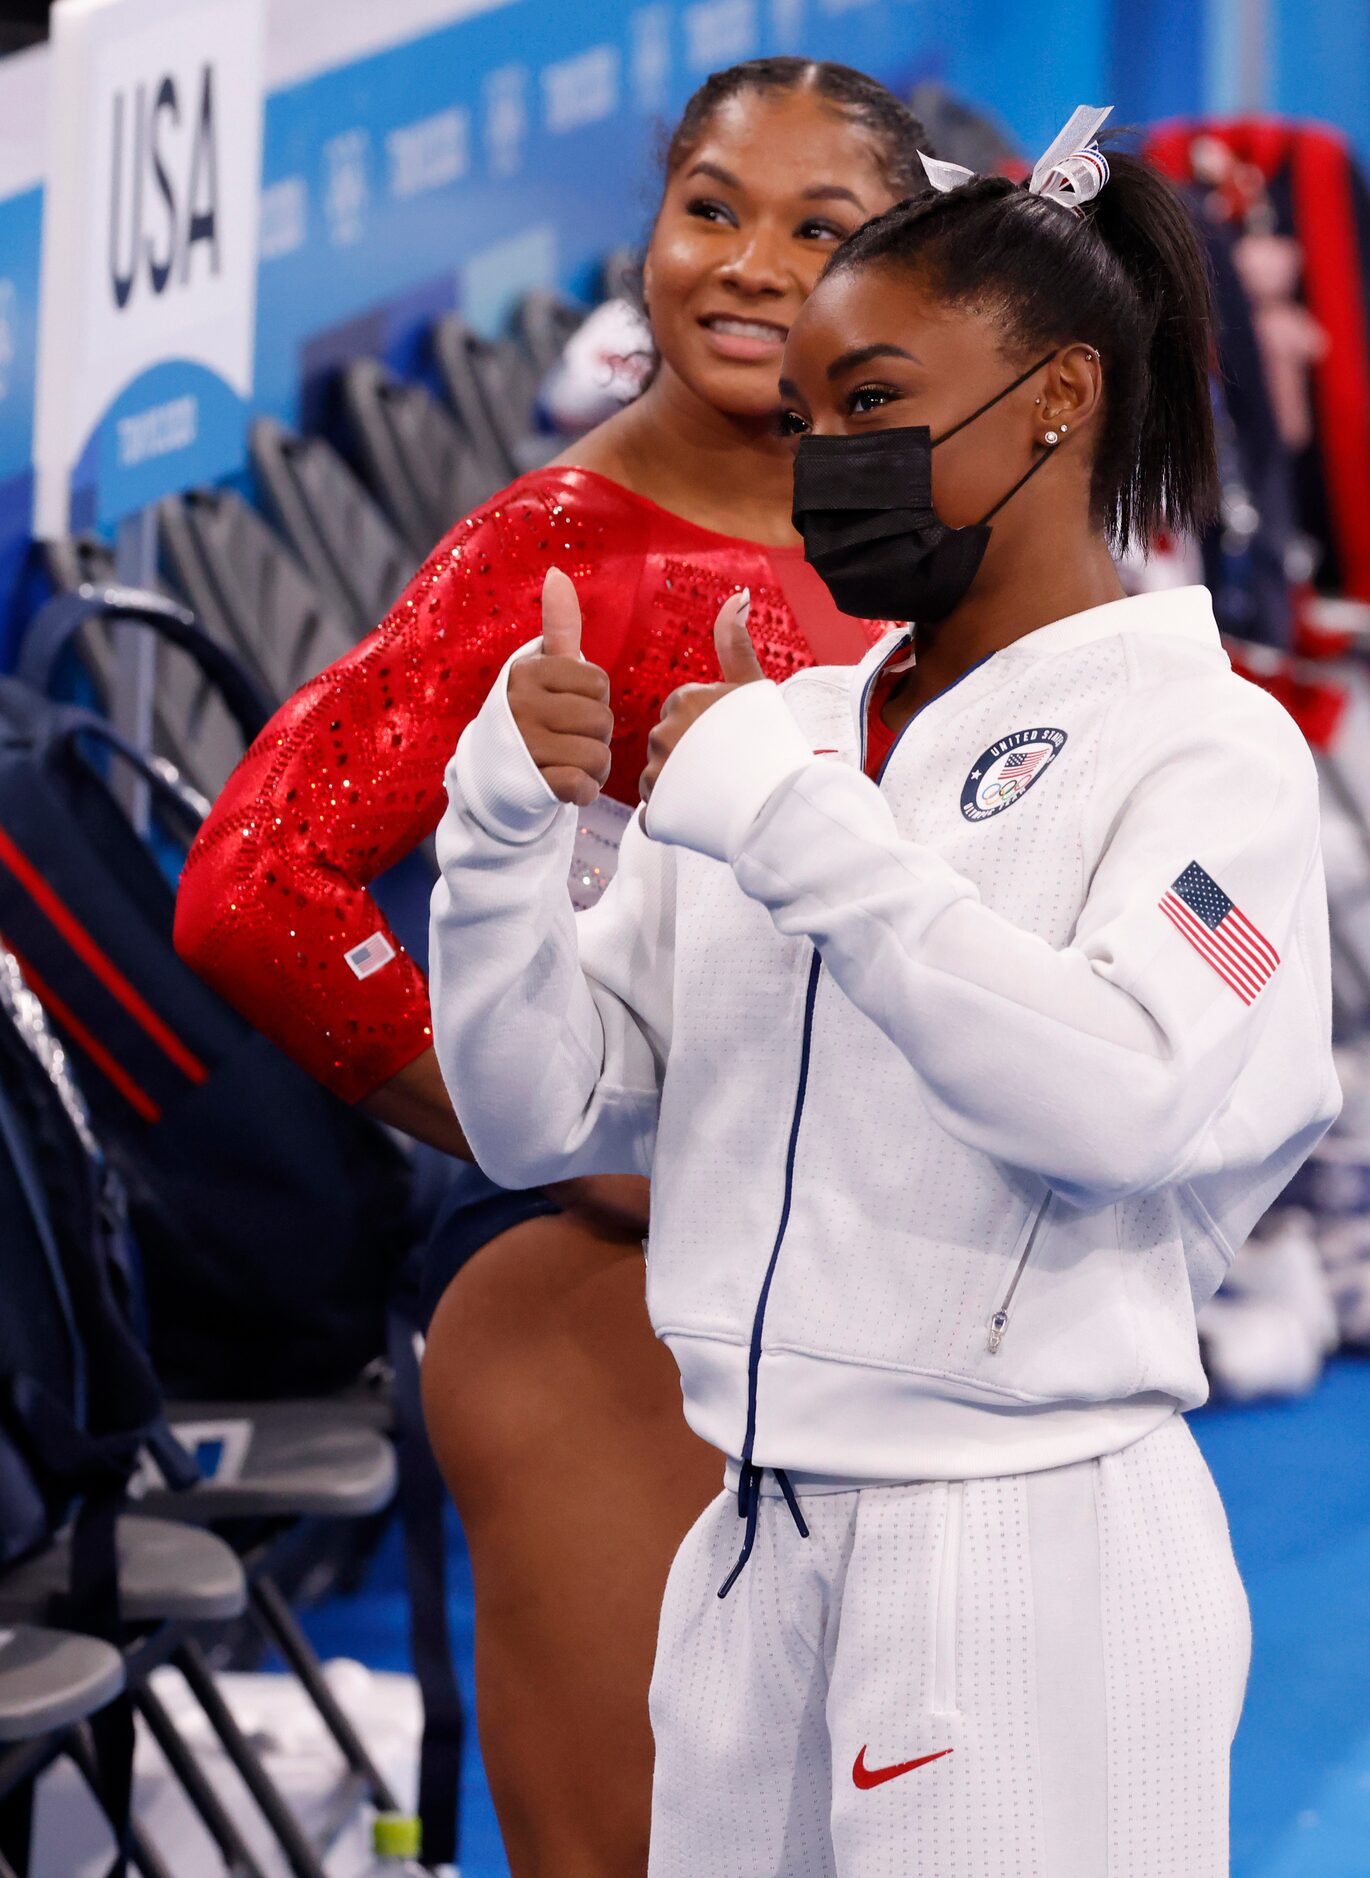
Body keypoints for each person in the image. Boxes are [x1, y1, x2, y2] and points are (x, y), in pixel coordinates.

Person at [427, 111, 1340, 1875]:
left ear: (1057, 398)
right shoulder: (799, 733)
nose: (822, 454)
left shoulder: (1216, 757)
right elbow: (541, 1108)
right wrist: (494, 846)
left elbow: (1126, 1096)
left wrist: (801, 834)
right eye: (806, 418)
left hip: (1024, 1553)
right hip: (753, 1528)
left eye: (873, 405)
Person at [174, 58, 927, 1875]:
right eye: (710, 211)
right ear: (648, 235)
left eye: (818, 229)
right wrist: (543, 1134)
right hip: (612, 1307)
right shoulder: (551, 549)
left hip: (881, 1292)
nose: (748, 266)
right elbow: (253, 884)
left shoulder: (937, 534)